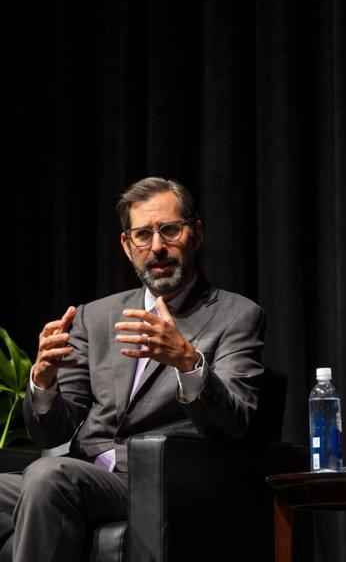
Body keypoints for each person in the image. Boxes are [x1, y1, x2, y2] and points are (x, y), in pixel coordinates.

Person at [1, 177, 265, 561]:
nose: (157, 247)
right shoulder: (96, 317)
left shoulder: (236, 315)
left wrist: (188, 362)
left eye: (170, 230)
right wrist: (43, 383)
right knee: (46, 477)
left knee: (47, 476)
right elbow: (54, 430)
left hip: (159, 481)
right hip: (85, 474)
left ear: (197, 233)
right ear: (127, 246)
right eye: (143, 235)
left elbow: (237, 420)